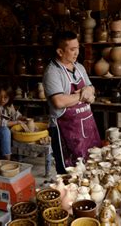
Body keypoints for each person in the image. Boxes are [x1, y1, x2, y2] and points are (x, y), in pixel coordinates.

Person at [43, 31, 101, 174]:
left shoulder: (79, 68)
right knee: (70, 175)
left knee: (91, 169)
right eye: (72, 49)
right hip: (66, 132)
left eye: (78, 48)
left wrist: (89, 91)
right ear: (60, 51)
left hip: (87, 129)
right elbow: (59, 101)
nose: (77, 53)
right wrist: (83, 94)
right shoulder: (52, 72)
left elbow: (91, 89)